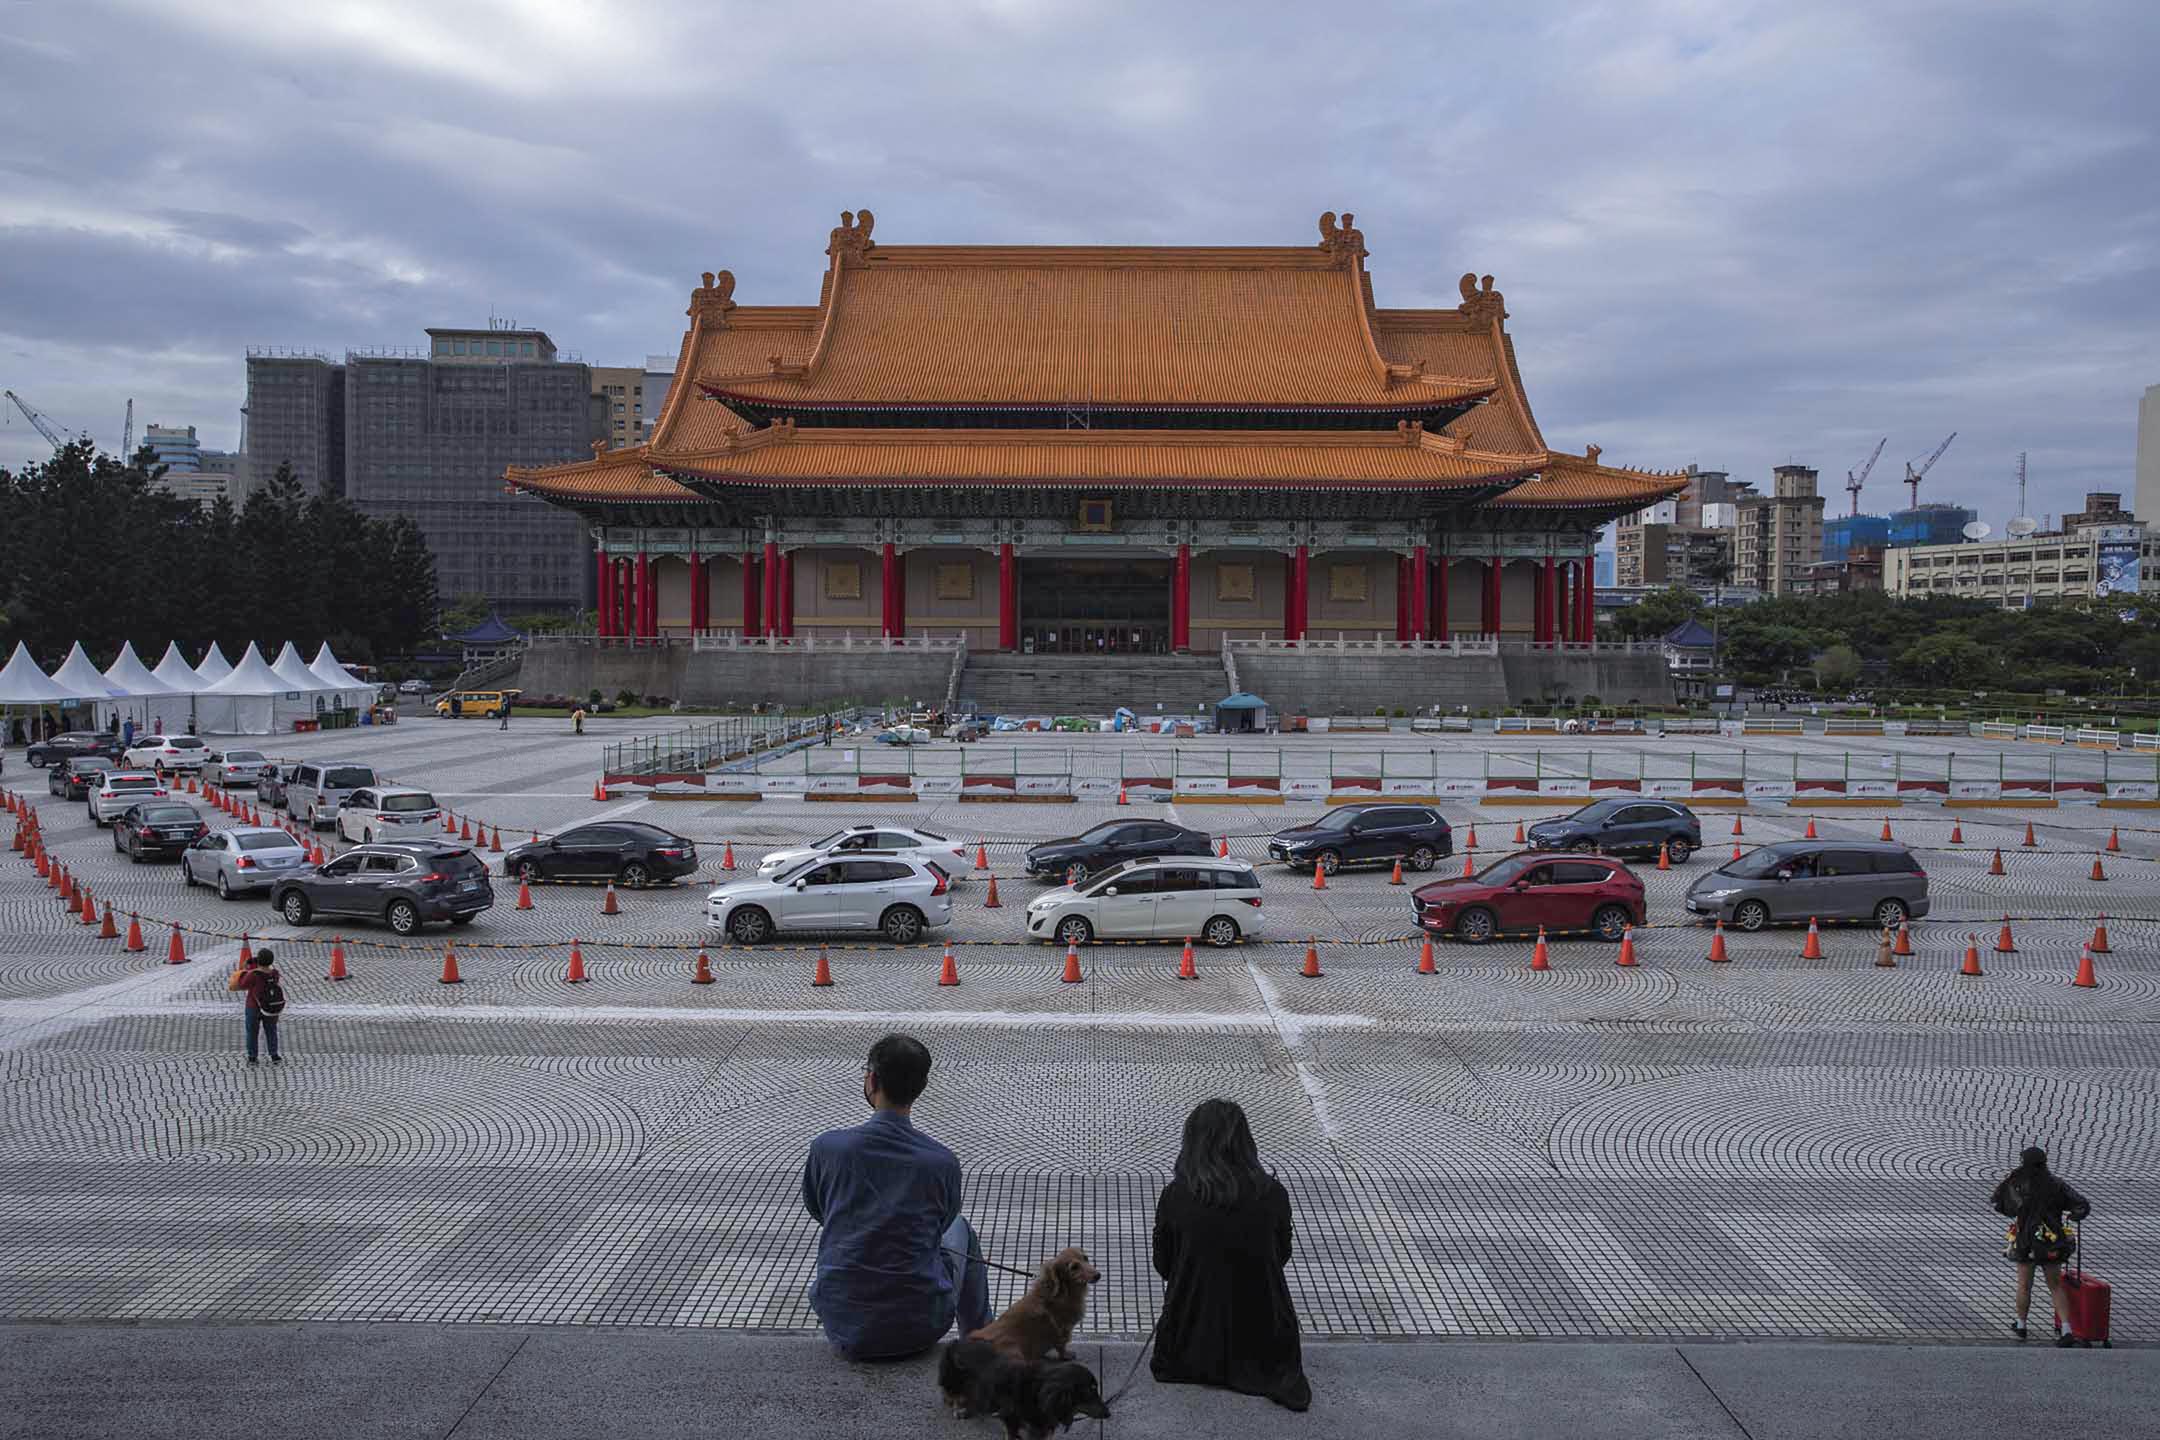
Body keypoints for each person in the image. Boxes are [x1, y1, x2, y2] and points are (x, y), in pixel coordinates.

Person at [801, 1033, 990, 1359]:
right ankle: (982, 1342)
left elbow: (819, 1209)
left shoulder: (827, 1148)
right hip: (920, 1326)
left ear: (872, 1080)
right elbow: (942, 1224)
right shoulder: (941, 1162)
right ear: (920, 1087)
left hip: (842, 1325)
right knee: (961, 1229)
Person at [1151, 1099, 1311, 1411]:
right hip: (1265, 1342)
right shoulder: (1273, 1194)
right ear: (1246, 1144)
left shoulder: (1176, 1195)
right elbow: (1281, 1255)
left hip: (1189, 1341)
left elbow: (1164, 1264)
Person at [1991, 1145, 2091, 1342]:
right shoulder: (2056, 1184)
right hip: (2050, 1240)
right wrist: (2072, 1215)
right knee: (2055, 1285)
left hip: (2026, 1241)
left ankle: (2021, 1325)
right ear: (2045, 1162)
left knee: (2024, 1285)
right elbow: (2082, 1205)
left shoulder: (2018, 1182)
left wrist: (2009, 1180)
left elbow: (2000, 1204)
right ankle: (2066, 1329)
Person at [225, 946, 287, 1065]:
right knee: (271, 1030)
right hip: (270, 1007)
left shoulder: (253, 974)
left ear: (258, 961)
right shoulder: (275, 973)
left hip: (253, 1007)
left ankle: (253, 1056)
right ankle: (274, 1055)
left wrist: (245, 969)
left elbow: (242, 984)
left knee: (252, 1032)